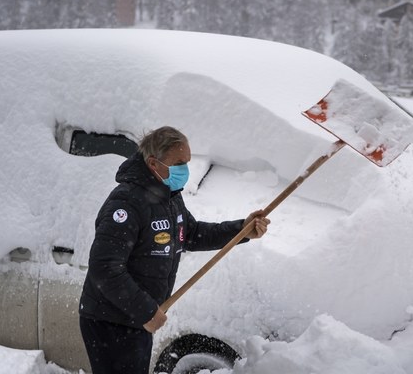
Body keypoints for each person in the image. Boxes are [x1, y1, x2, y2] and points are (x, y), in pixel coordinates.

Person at [78, 126, 270, 374]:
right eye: (179, 163)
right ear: (153, 164)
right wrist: (146, 310)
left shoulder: (168, 196)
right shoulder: (126, 203)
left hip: (135, 318)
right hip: (111, 319)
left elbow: (192, 233)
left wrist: (241, 231)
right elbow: (104, 268)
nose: (185, 170)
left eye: (187, 162)